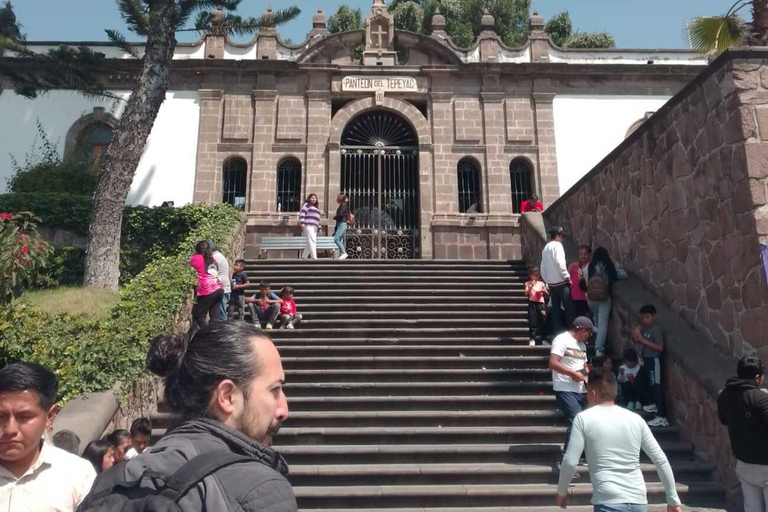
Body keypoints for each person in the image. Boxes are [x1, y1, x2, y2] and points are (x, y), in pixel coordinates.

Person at [79, 322, 296, 511]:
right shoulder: (259, 489)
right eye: (275, 390)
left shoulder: (110, 482)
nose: (283, 409)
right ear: (227, 396)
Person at [556, 367, 682, 512]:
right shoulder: (636, 419)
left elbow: (570, 461)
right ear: (614, 392)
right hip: (638, 500)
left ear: (592, 394)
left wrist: (561, 491)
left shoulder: (583, 419)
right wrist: (673, 499)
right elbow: (660, 459)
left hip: (607, 500)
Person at [0, 362, 96, 511]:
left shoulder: (77, 474)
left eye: (24, 416)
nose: (10, 429)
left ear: (49, 416)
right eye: (1, 416)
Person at [717, 356, 768, 512]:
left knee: (752, 507)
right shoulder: (761, 399)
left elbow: (724, 420)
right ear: (757, 377)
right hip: (765, 465)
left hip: (744, 463)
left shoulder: (724, 396)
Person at [549, 317, 596, 457]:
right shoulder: (562, 340)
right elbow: (553, 363)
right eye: (589, 332)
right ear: (582, 330)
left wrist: (582, 374)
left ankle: (580, 455)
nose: (590, 336)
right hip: (564, 387)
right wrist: (571, 373)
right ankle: (568, 459)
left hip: (581, 389)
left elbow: (584, 367)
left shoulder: (582, 346)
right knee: (576, 420)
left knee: (584, 422)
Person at [584, 246, 626, 357]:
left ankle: (598, 340)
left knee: (596, 319)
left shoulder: (589, 267)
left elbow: (585, 280)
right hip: (604, 298)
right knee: (603, 322)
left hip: (591, 297)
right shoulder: (608, 267)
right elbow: (622, 275)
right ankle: (599, 348)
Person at [632, 304, 669, 427]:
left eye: (647, 317)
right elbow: (641, 344)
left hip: (654, 361)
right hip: (646, 361)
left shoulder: (656, 330)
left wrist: (643, 340)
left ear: (654, 317)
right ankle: (650, 404)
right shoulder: (646, 330)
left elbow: (660, 347)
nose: (645, 320)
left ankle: (662, 416)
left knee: (656, 387)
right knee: (638, 382)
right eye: (643, 318)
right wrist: (637, 338)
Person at [541, 226, 574, 333]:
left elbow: (543, 267)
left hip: (551, 284)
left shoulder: (546, 248)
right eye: (561, 236)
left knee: (556, 310)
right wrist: (567, 277)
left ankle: (557, 333)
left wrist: (548, 280)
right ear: (557, 236)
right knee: (569, 308)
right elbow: (560, 263)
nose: (562, 239)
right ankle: (570, 333)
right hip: (561, 282)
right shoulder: (558, 246)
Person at [189, 240, 224, 330]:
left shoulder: (196, 258)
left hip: (208, 289)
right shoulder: (213, 259)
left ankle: (208, 334)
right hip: (219, 287)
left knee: (199, 316)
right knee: (215, 316)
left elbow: (188, 268)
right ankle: (216, 333)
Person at [525, 265, 548, 347]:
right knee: (532, 321)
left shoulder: (541, 283)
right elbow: (526, 293)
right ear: (530, 275)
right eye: (534, 275)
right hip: (532, 302)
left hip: (540, 303)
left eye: (537, 275)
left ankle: (544, 338)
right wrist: (531, 286)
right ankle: (532, 338)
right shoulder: (527, 283)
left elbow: (546, 294)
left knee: (543, 320)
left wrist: (543, 291)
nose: (535, 277)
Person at [209, 241, 231, 322]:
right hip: (225, 287)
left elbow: (213, 273)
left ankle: (224, 331)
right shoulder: (220, 256)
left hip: (222, 288)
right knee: (221, 311)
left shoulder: (215, 258)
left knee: (221, 312)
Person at [568, 245, 592, 318]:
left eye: (585, 254)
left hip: (587, 297)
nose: (583, 256)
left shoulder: (591, 265)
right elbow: (567, 277)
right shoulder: (573, 265)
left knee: (586, 319)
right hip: (574, 297)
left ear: (589, 255)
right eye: (581, 254)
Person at [299, 193, 322, 260]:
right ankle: (314, 258)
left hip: (315, 227)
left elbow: (318, 219)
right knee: (312, 241)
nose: (313, 199)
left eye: (315, 198)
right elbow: (302, 214)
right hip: (308, 225)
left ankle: (304, 257)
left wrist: (319, 228)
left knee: (310, 242)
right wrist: (302, 223)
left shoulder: (316, 208)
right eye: (312, 198)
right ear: (309, 199)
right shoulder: (306, 205)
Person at [333, 193, 350, 260]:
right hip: (340, 224)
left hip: (342, 223)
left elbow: (340, 215)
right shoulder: (342, 205)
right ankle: (342, 254)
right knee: (340, 239)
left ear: (339, 199)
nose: (336, 199)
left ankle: (343, 253)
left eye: (337, 198)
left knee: (336, 239)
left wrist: (335, 217)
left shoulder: (343, 206)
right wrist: (335, 230)